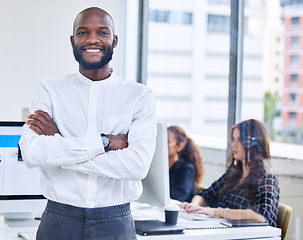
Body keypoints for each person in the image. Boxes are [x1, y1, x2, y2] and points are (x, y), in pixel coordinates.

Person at [19, 7, 157, 240]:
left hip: (116, 221)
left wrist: (61, 147)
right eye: (83, 33)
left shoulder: (139, 96)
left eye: (102, 33)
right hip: (58, 219)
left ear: (114, 40)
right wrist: (104, 142)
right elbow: (32, 153)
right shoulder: (50, 90)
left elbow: (137, 166)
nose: (92, 39)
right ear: (73, 40)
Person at [180, 119, 279, 227]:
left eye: (239, 140)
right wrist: (193, 207)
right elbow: (205, 195)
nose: (233, 145)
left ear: (253, 144)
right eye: (233, 139)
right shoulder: (234, 173)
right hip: (225, 231)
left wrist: (217, 212)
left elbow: (262, 217)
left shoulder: (267, 178)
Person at [167, 126, 204, 203]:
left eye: (167, 141)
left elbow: (178, 197)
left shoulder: (186, 169)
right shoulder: (158, 167)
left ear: (179, 146)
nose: (161, 144)